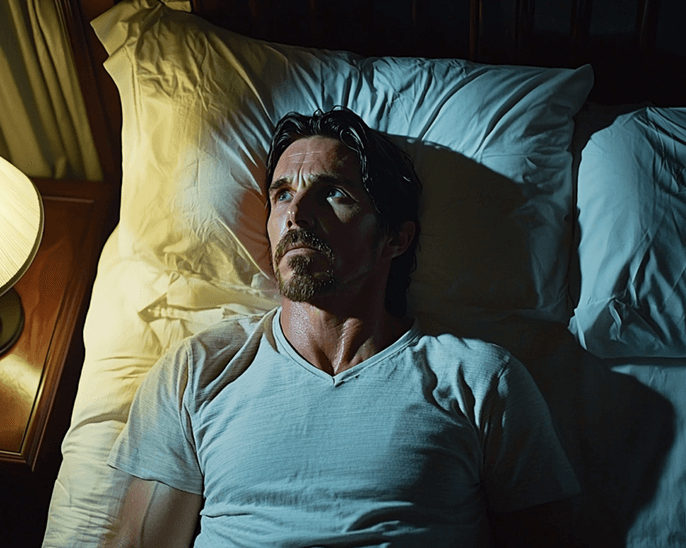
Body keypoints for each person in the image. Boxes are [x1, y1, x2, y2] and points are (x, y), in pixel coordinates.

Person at [105, 107, 581, 548]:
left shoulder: (479, 380)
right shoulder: (198, 371)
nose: (296, 214)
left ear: (396, 237)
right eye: (282, 194)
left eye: (332, 193)